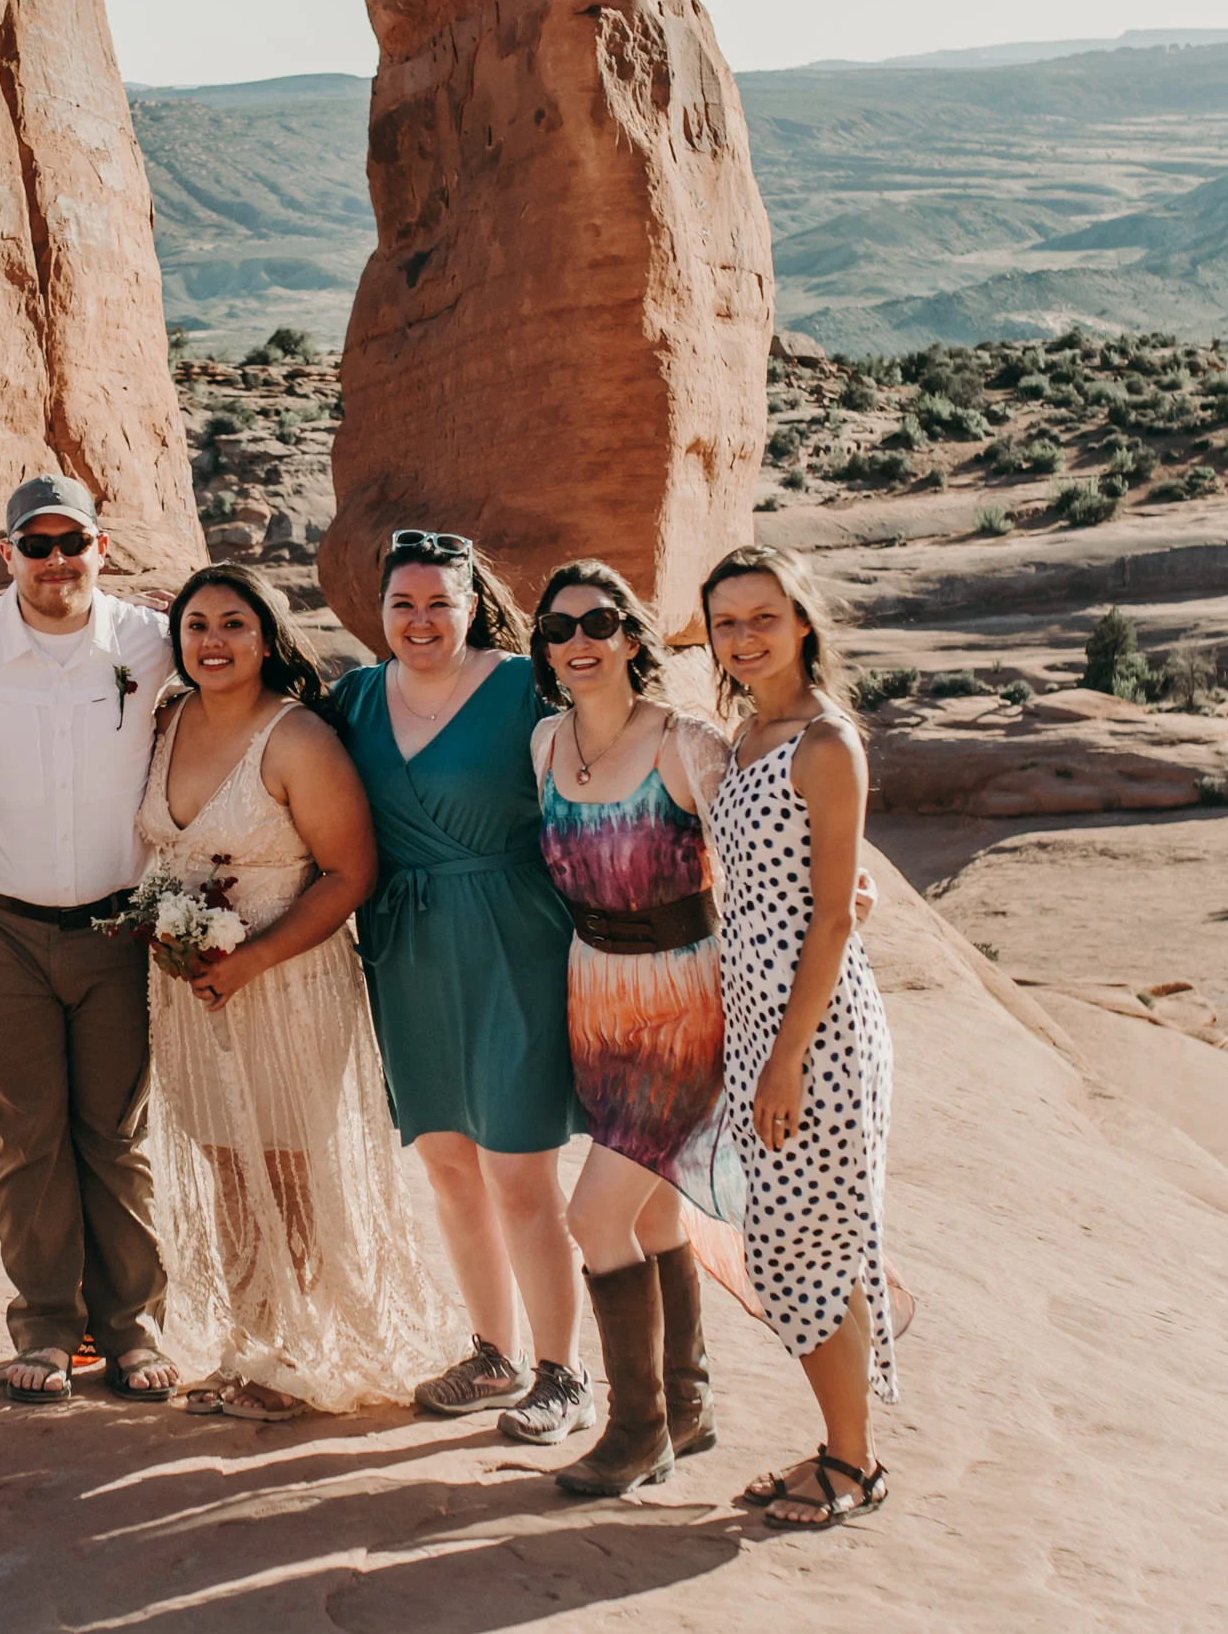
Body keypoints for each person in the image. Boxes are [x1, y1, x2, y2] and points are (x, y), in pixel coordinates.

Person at [135, 565, 453, 1420]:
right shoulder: (168, 721)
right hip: (194, 989)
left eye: (234, 623)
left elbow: (351, 872)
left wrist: (254, 957)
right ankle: (250, 1341)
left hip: (287, 983)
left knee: (284, 1167)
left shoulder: (297, 738)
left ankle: (292, 1356)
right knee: (228, 1164)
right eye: (197, 624)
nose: (213, 641)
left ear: (268, 635)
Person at [0, 475, 182, 1406]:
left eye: (73, 542)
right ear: (8, 555)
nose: (56, 561)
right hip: (1, 932)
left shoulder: (152, 642)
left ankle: (132, 1331)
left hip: (119, 929)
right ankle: (45, 1328)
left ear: (101, 548)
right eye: (37, 545)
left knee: (115, 1134)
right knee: (26, 1130)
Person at [328, 531, 593, 1445]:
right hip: (408, 949)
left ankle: (564, 1372)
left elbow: (626, 756)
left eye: (440, 602)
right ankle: (494, 1353)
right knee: (447, 1163)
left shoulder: (528, 687)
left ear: (474, 603)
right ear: (379, 613)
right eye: (403, 605)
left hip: (514, 939)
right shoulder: (357, 697)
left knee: (519, 1167)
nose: (420, 620)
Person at [524, 561, 738, 1497]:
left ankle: (636, 1429)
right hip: (595, 992)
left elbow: (762, 867)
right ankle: (685, 1407)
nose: (579, 641)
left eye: (598, 623)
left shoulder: (686, 744)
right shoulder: (543, 744)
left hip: (681, 996)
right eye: (559, 628)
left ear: (632, 636)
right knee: (652, 1210)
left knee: (592, 1213)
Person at [699, 543, 898, 1531]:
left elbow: (830, 916)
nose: (743, 635)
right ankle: (839, 1445)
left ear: (803, 622)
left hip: (808, 1030)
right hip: (755, 1011)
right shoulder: (745, 732)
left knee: (796, 1244)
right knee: (790, 1237)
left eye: (762, 616)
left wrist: (783, 1057)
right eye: (725, 620)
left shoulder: (823, 741)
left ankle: (850, 1464)